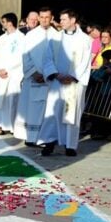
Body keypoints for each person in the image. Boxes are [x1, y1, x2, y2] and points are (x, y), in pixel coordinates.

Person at [39, 9, 92, 157]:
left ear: (73, 20)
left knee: (71, 112)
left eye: (63, 19)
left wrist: (73, 76)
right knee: (52, 111)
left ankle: (70, 146)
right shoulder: (55, 38)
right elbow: (47, 59)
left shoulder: (85, 39)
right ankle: (49, 142)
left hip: (74, 83)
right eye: (61, 20)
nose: (60, 22)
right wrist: (56, 74)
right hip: (57, 80)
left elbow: (85, 61)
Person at [13, 8, 59, 146]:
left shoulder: (57, 36)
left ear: (52, 18)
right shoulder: (31, 35)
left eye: (47, 17)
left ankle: (46, 138)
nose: (44, 20)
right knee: (32, 108)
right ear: (39, 18)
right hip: (33, 77)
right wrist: (34, 72)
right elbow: (25, 55)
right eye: (42, 17)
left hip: (50, 79)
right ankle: (31, 137)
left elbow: (59, 57)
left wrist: (50, 73)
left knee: (48, 108)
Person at [0, 13, 24, 135]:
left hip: (13, 75)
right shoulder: (1, 39)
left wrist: (8, 69)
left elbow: (20, 57)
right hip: (1, 75)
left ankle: (11, 125)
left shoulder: (21, 38)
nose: (2, 24)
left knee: (12, 100)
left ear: (10, 22)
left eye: (4, 22)